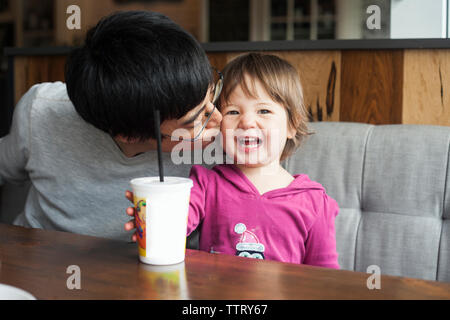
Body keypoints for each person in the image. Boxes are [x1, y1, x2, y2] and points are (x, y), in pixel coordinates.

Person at [0, 11, 222, 241]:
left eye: (212, 95)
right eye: (197, 119)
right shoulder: (41, 110)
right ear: (130, 135)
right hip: (38, 261)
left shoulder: (228, 139)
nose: (219, 119)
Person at [125, 53, 340, 268]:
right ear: (219, 125)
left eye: (264, 110)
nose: (246, 121)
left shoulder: (315, 202)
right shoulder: (206, 183)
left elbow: (325, 278)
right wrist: (154, 216)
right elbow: (174, 227)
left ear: (292, 125)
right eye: (233, 111)